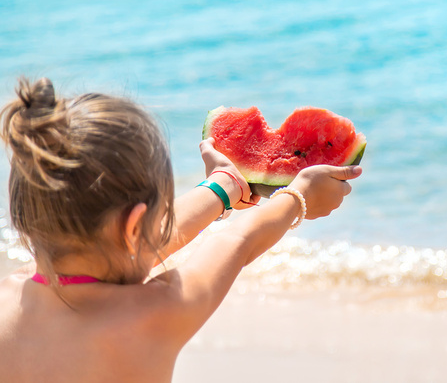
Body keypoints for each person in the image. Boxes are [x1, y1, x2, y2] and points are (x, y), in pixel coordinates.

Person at [0, 77, 361, 382]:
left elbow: (140, 244)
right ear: (134, 227)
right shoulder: (157, 312)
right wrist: (298, 196)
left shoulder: (9, 294)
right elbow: (238, 240)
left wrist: (223, 186)